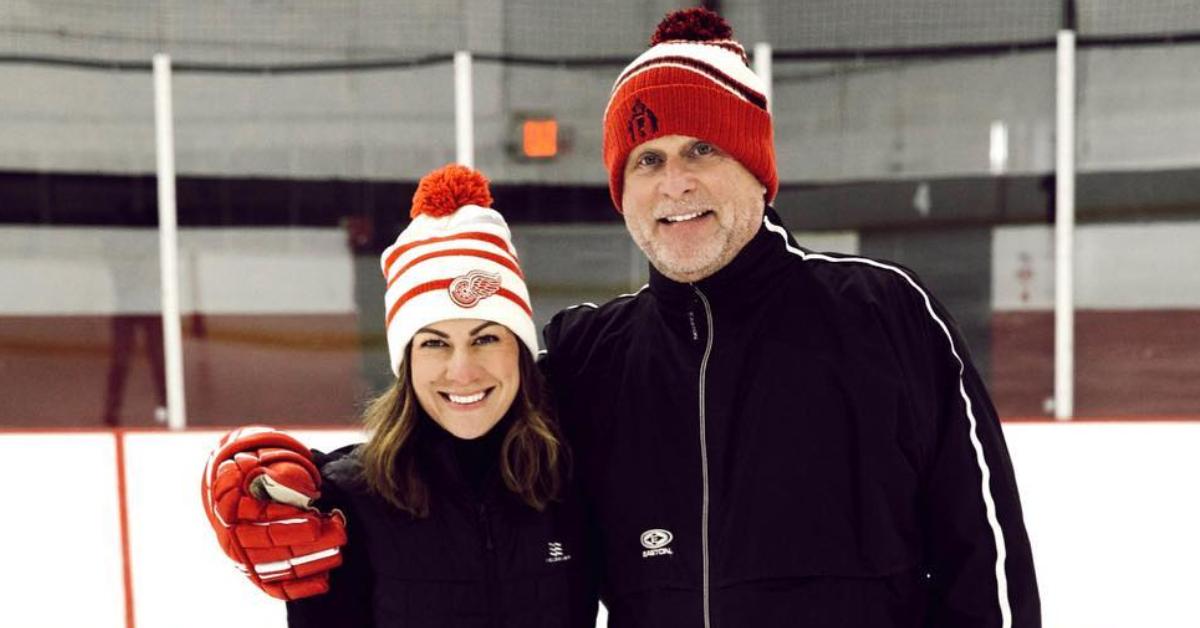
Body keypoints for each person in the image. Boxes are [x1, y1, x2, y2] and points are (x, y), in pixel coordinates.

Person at [537, 7, 1040, 627]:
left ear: (756, 168)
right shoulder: (587, 357)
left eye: (702, 149)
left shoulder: (886, 316)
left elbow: (981, 553)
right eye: (648, 160)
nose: (676, 183)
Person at [202, 164, 596, 627]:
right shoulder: (346, 504)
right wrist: (247, 480)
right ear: (406, 363)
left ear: (521, 352)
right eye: (433, 343)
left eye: (487, 338)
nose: (462, 370)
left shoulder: (571, 481)